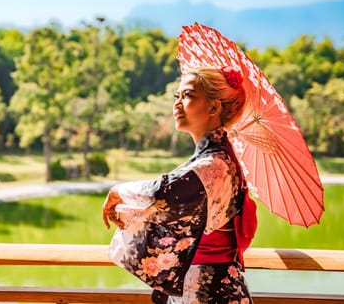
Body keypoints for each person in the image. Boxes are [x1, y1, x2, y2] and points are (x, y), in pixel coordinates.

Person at [102, 65, 258, 304]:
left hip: (210, 291)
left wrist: (118, 192)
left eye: (187, 95)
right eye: (177, 96)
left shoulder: (213, 164)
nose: (177, 104)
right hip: (203, 286)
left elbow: (161, 194)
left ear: (214, 107)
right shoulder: (213, 159)